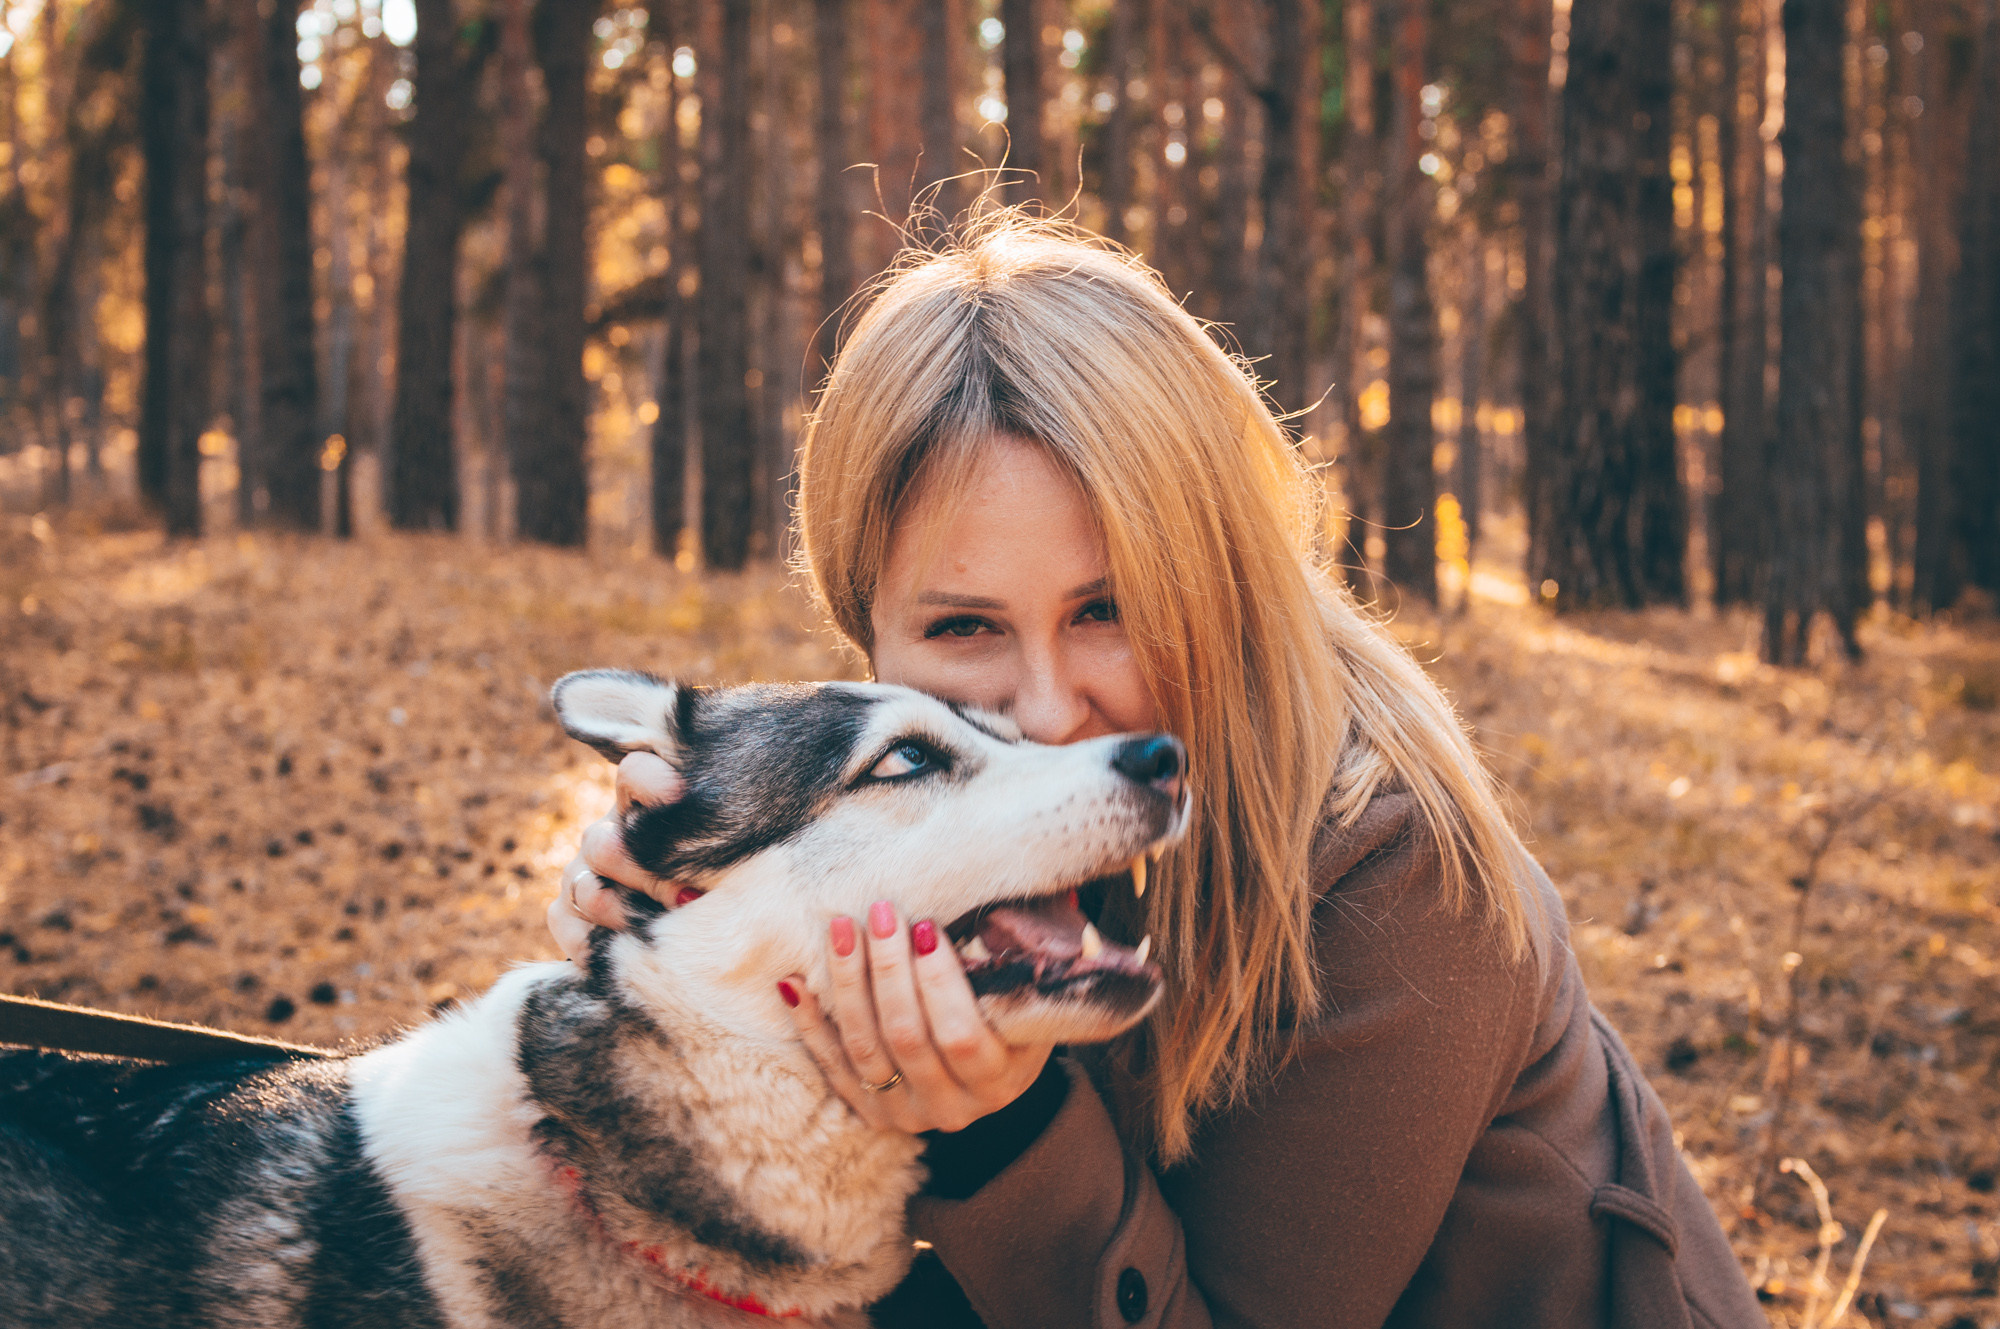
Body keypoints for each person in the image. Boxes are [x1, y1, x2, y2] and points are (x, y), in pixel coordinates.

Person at [548, 213, 1764, 1329]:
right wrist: (689, 948)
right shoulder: (912, 815)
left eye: (1108, 609)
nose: (1045, 708)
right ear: (869, 631)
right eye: (964, 628)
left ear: (1217, 579)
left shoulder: (1397, 879)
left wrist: (1000, 1128)